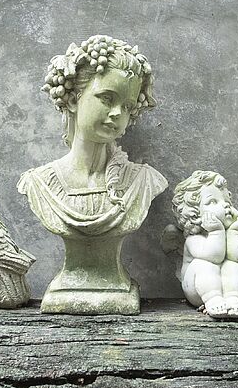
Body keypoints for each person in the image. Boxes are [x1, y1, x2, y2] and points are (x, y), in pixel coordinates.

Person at [18, 35, 167, 314]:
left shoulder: (143, 182)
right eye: (106, 98)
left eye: (127, 106)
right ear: (74, 100)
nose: (116, 114)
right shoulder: (39, 184)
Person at [170, 171, 238, 319]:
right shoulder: (194, 239)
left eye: (227, 201)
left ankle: (234, 297)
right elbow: (215, 256)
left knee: (234, 264)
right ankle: (213, 298)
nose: (225, 205)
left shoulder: (229, 232)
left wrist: (234, 232)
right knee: (205, 264)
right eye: (213, 202)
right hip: (198, 290)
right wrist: (216, 232)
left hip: (226, 289)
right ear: (194, 213)